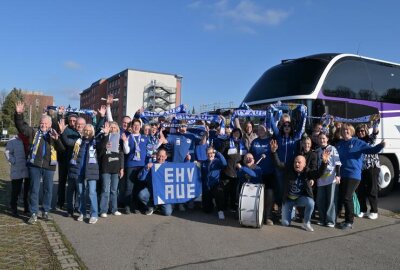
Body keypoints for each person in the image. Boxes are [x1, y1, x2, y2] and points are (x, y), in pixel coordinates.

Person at [14, 101, 65, 224]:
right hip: (35, 165)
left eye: (45, 123)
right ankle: (33, 213)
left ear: (50, 124)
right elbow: (21, 127)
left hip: (49, 166)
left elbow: (61, 149)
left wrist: (57, 139)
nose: (42, 125)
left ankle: (46, 211)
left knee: (48, 190)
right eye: (41, 123)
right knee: (34, 189)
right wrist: (19, 114)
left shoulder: (54, 134)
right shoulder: (33, 133)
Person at [270, 139, 329, 232]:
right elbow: (278, 164)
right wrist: (274, 152)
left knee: (311, 202)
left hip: (300, 198)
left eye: (299, 162)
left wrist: (324, 163)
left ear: (305, 164)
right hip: (289, 200)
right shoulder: (289, 169)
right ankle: (290, 213)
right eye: (295, 162)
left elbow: (318, 174)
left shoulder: (307, 172)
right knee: (285, 223)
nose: (296, 164)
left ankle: (306, 222)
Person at [335, 123, 385, 229]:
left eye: (347, 129)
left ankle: (349, 221)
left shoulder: (358, 142)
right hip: (342, 175)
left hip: (353, 174)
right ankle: (346, 219)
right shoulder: (339, 144)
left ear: (352, 131)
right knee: (343, 197)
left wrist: (381, 145)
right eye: (343, 130)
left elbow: (372, 150)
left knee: (347, 197)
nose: (345, 131)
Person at [68, 124, 100, 224]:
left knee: (91, 192)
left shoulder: (95, 141)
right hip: (79, 170)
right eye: (85, 130)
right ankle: (82, 213)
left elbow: (101, 138)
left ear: (93, 132)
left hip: (91, 170)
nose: (87, 132)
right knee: (80, 193)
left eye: (89, 131)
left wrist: (102, 117)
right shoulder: (79, 141)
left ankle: (94, 214)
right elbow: (67, 140)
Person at [122, 119, 149, 214]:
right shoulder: (128, 137)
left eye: (138, 125)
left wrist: (159, 143)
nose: (136, 127)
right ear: (132, 126)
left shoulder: (145, 138)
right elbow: (126, 152)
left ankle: (136, 206)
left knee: (139, 186)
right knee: (129, 187)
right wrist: (125, 142)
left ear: (140, 126)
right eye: (134, 125)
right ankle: (127, 206)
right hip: (131, 164)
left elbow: (150, 150)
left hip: (141, 165)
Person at [249, 125, 275, 225]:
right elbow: (250, 155)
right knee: (257, 196)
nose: (261, 131)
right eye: (259, 129)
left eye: (263, 129)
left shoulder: (271, 141)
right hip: (257, 173)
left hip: (269, 172)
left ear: (266, 130)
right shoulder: (254, 141)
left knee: (269, 196)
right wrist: (251, 163)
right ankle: (256, 215)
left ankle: (268, 217)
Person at [98, 122, 124, 217]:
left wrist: (122, 168)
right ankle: (103, 210)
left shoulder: (119, 139)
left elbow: (121, 155)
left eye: (114, 127)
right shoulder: (104, 137)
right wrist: (105, 135)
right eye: (111, 127)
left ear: (117, 129)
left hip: (116, 167)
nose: (113, 129)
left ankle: (114, 209)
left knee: (114, 190)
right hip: (106, 166)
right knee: (105, 189)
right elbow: (100, 150)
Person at [355, 123, 381, 220]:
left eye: (362, 131)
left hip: (372, 167)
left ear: (366, 131)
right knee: (360, 189)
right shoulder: (356, 141)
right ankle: (363, 210)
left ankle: (374, 211)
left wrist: (375, 123)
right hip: (360, 168)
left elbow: (375, 132)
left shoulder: (370, 139)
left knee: (372, 189)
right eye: (358, 131)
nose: (360, 132)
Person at [315, 132, 341, 227]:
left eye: (323, 138)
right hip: (321, 179)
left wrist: (338, 175)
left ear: (327, 139)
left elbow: (337, 163)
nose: (322, 140)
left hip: (331, 178)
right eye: (320, 138)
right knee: (320, 200)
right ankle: (322, 219)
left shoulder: (332, 149)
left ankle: (330, 221)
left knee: (331, 200)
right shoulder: (317, 151)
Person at [137, 148, 173, 216]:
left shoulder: (170, 166)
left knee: (167, 213)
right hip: (152, 191)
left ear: (166, 157)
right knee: (142, 194)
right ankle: (151, 207)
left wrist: (187, 161)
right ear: (156, 155)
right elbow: (140, 178)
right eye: (159, 155)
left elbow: (182, 171)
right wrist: (146, 169)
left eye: (162, 156)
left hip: (164, 193)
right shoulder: (151, 165)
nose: (160, 158)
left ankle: (160, 206)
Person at [5, 133, 30, 216]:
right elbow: (8, 153)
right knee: (16, 190)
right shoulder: (13, 141)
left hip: (28, 167)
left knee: (27, 190)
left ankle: (27, 208)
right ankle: (13, 207)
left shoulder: (30, 139)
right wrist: (14, 161)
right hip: (17, 168)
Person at [201, 146, 227, 220]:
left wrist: (217, 152)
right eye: (208, 153)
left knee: (219, 193)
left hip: (216, 184)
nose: (210, 155)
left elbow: (224, 163)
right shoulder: (204, 162)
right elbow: (202, 174)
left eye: (212, 153)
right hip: (207, 186)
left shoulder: (218, 161)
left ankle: (220, 210)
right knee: (207, 210)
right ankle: (211, 205)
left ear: (214, 153)